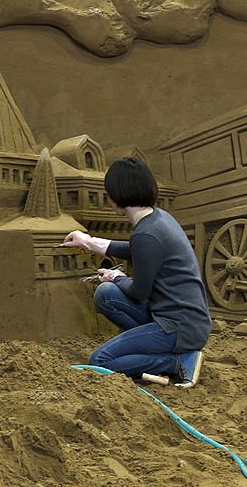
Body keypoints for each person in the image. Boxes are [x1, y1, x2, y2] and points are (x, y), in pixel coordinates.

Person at [62, 157, 210, 387]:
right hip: (183, 319)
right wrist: (88, 242)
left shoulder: (146, 234)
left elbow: (139, 291)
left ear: (118, 196)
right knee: (106, 294)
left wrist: (116, 276)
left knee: (99, 360)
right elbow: (136, 250)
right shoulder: (157, 219)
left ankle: (176, 362)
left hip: (178, 327)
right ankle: (148, 346)